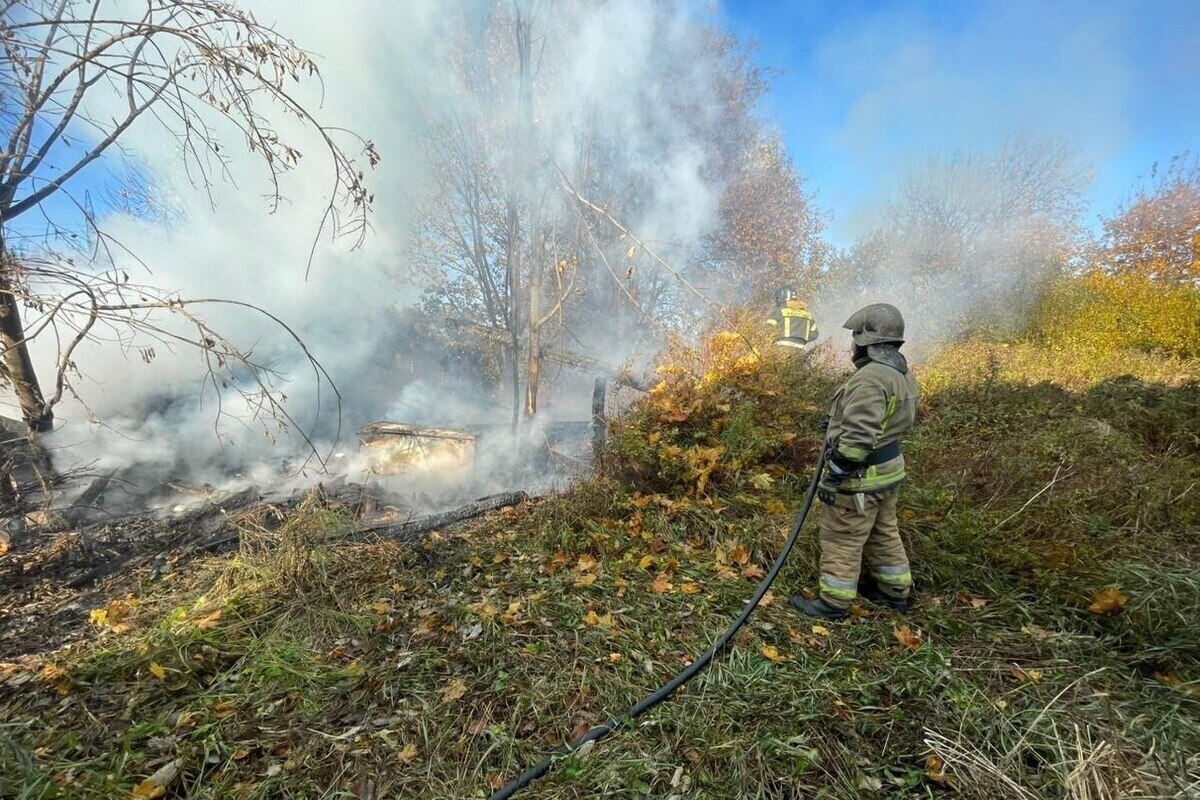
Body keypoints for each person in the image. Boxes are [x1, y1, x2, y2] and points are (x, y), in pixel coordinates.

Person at [791, 303, 920, 621]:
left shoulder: (869, 379)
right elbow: (883, 421)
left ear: (866, 340)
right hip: (887, 471)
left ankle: (833, 603)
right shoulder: (900, 374)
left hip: (861, 477)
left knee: (842, 536)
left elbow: (860, 436)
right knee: (883, 530)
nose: (851, 345)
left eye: (854, 338)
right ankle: (895, 593)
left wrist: (835, 475)